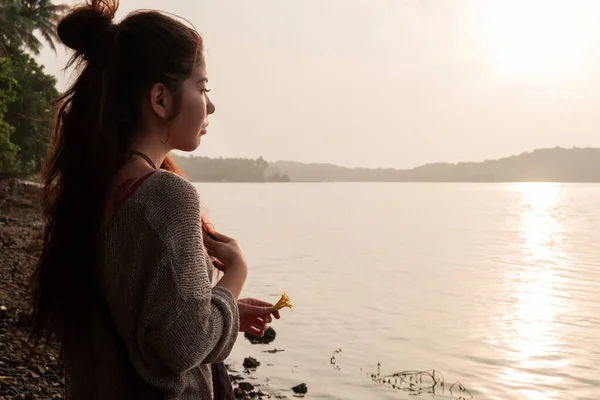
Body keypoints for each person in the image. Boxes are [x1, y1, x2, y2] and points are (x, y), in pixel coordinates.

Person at [28, 1, 280, 398]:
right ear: (161, 99)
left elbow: (148, 321)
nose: (211, 105)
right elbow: (183, 344)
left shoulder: (90, 188)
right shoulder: (166, 195)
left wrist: (223, 307)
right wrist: (235, 273)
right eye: (202, 87)